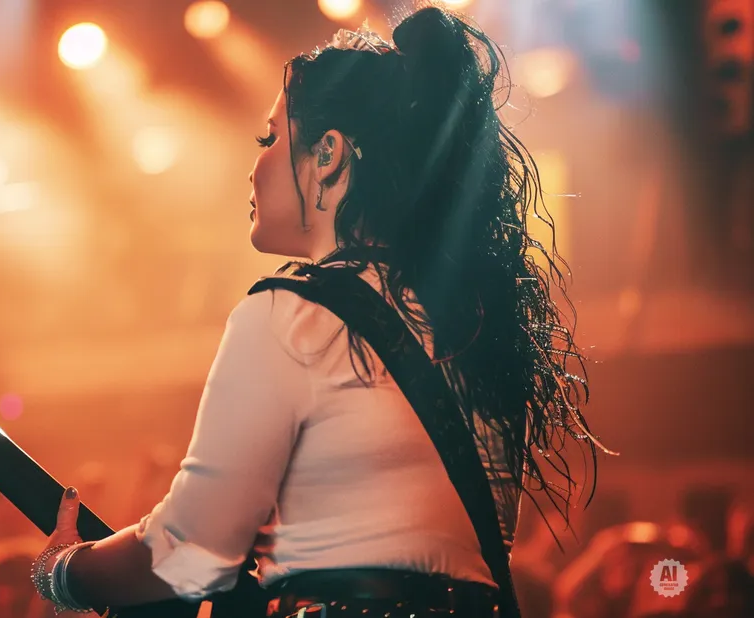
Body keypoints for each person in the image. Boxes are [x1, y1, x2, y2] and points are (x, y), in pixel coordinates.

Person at [31, 5, 610, 618]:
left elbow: (191, 554)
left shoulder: (288, 316)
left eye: (271, 137)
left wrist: (63, 571)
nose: (255, 165)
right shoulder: (478, 328)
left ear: (329, 154)